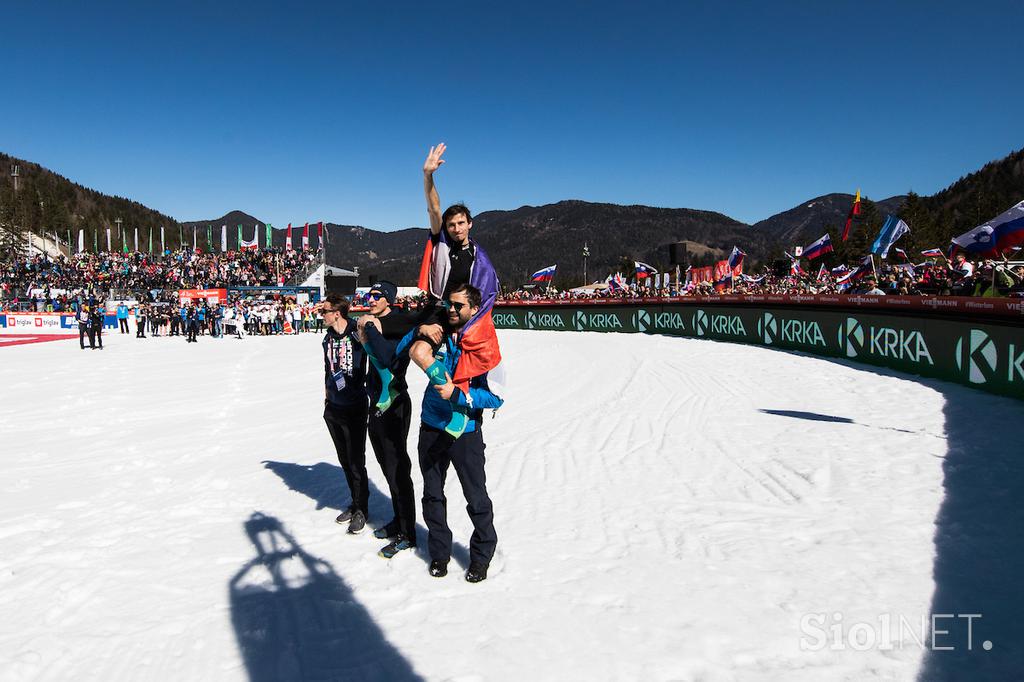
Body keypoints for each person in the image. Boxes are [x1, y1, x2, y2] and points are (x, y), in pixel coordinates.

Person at [395, 284, 504, 582]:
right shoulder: (438, 329)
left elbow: (496, 396)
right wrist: (422, 328)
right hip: (431, 426)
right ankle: (440, 554)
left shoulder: (485, 343)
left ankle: (481, 555)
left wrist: (460, 396)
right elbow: (402, 350)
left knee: (476, 497)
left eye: (458, 306)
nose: (452, 310)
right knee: (432, 495)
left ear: (473, 308)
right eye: (449, 305)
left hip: (465, 430)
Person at [410, 143, 502, 438]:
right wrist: (428, 176)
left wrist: (468, 327)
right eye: (451, 224)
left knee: (468, 367)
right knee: (416, 351)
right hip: (440, 308)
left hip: (467, 318)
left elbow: (487, 296)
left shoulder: (480, 258)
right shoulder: (442, 243)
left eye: (461, 223)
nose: (456, 228)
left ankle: (461, 407)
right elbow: (433, 206)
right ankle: (390, 384)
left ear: (470, 224)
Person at [355, 281, 419, 558]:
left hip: (394, 405)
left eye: (377, 296)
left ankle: (408, 533)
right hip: (377, 405)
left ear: (389, 300)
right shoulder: (377, 323)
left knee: (398, 470)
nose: (370, 299)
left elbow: (387, 356)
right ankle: (398, 520)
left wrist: (369, 327)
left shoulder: (397, 324)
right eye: (369, 295)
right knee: (386, 466)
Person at [321, 294, 370, 535]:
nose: (322, 315)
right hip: (334, 407)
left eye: (325, 311)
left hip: (355, 405)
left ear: (337, 313)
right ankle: (355, 502)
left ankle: (362, 508)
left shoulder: (356, 331)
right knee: (344, 459)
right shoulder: (328, 338)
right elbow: (326, 369)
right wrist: (327, 397)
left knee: (355, 460)